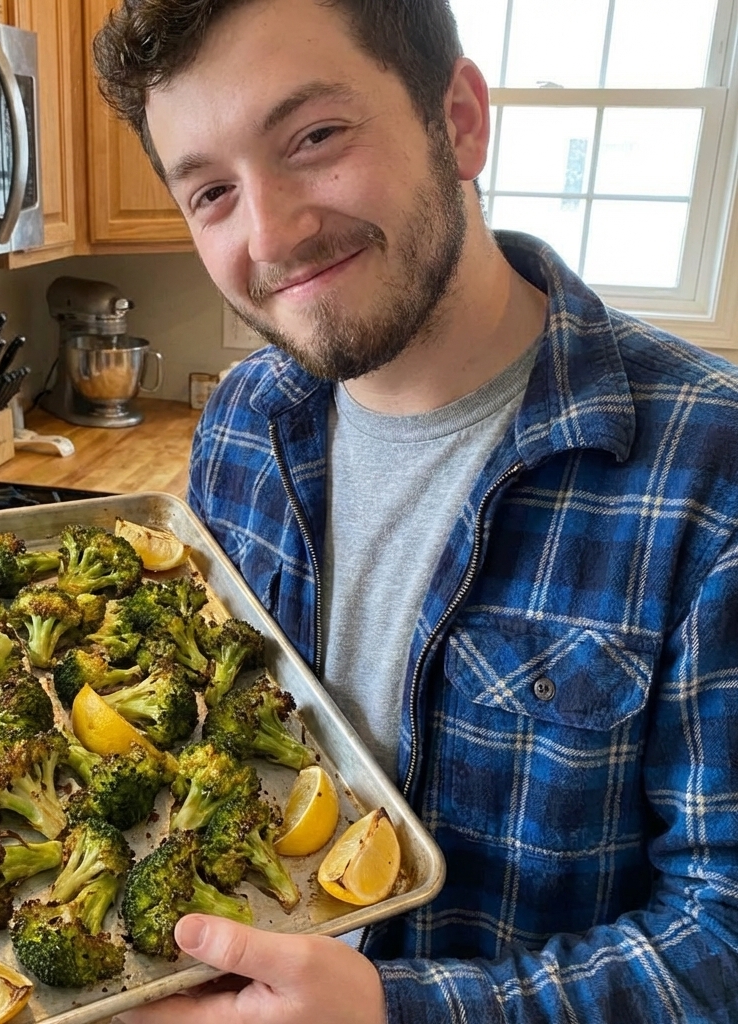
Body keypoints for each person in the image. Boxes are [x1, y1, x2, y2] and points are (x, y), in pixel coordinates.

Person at [93, 0, 738, 1020]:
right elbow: (206, 724)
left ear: (461, 119)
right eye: (211, 191)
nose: (271, 234)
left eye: (313, 137)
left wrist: (397, 1012)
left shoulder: (710, 478)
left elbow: (722, 939)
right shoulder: (242, 425)